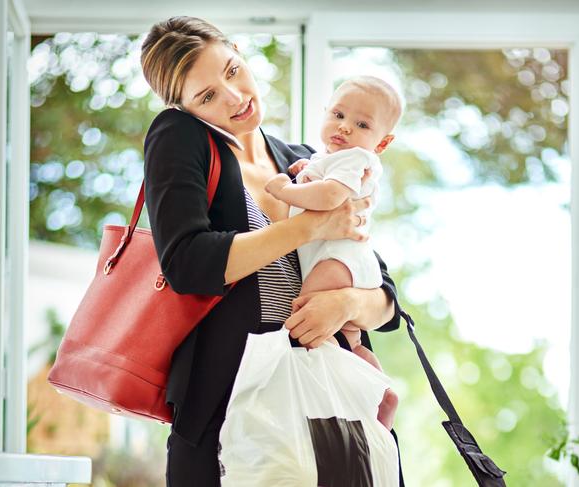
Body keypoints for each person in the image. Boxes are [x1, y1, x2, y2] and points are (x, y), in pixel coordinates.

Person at [140, 16, 406, 486]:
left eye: (231, 70)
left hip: (323, 411)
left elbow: (385, 300)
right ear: (183, 109)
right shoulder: (181, 138)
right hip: (226, 415)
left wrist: (343, 303)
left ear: (240, 53)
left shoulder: (307, 160)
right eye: (206, 96)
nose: (235, 97)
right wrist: (309, 227)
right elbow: (187, 263)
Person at [264, 75, 402, 430]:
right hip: (339, 260)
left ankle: (352, 396)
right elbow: (320, 179)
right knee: (348, 339)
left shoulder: (356, 158)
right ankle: (379, 393)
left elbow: (328, 197)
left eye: (362, 124)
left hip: (340, 261)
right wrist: (302, 172)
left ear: (381, 142)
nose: (344, 127)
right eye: (338, 115)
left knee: (308, 314)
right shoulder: (330, 160)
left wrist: (284, 189)